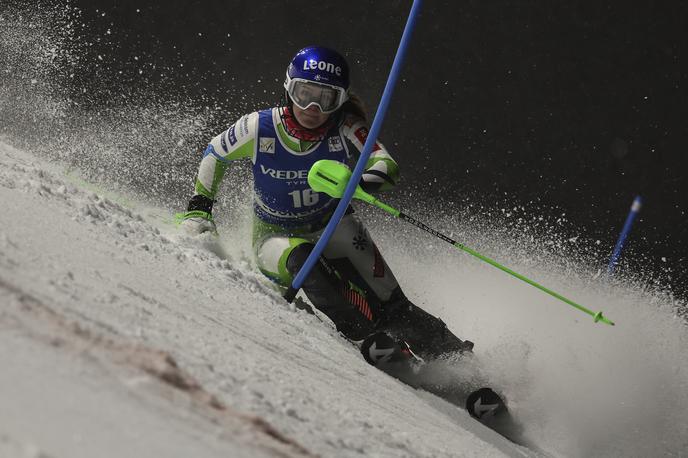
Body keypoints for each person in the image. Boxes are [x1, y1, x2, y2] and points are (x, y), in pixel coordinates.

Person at [178, 46, 474, 377]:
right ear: (289, 88)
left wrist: (361, 179)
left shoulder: (346, 128)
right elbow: (215, 154)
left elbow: (385, 163)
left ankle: (462, 363)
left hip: (333, 223)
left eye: (326, 98)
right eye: (304, 94)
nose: (313, 108)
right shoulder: (259, 128)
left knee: (392, 300)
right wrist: (200, 207)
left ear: (341, 99)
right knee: (305, 263)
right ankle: (368, 337)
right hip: (275, 236)